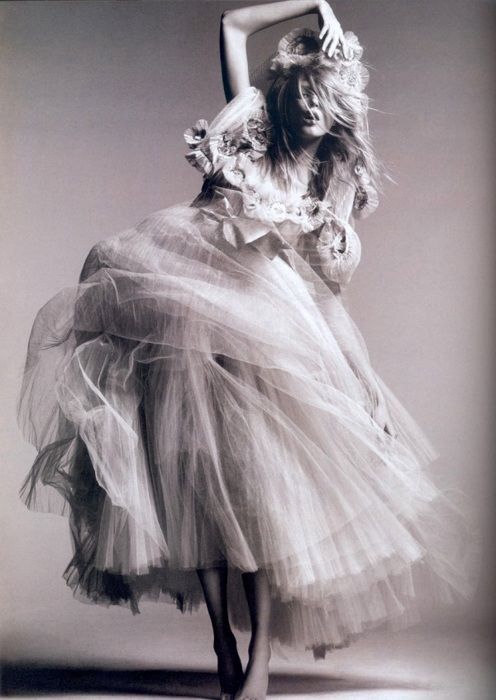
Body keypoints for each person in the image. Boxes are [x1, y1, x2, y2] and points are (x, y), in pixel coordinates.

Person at [18, 2, 475, 699]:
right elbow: (233, 25)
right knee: (190, 485)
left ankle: (257, 661)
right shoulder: (251, 124)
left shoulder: (329, 184)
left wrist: (361, 376)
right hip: (187, 302)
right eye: (307, 93)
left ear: (342, 109)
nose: (315, 109)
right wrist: (316, 3)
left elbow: (325, 297)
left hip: (267, 326)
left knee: (258, 497)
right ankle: (222, 646)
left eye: (330, 99)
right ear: (290, 94)